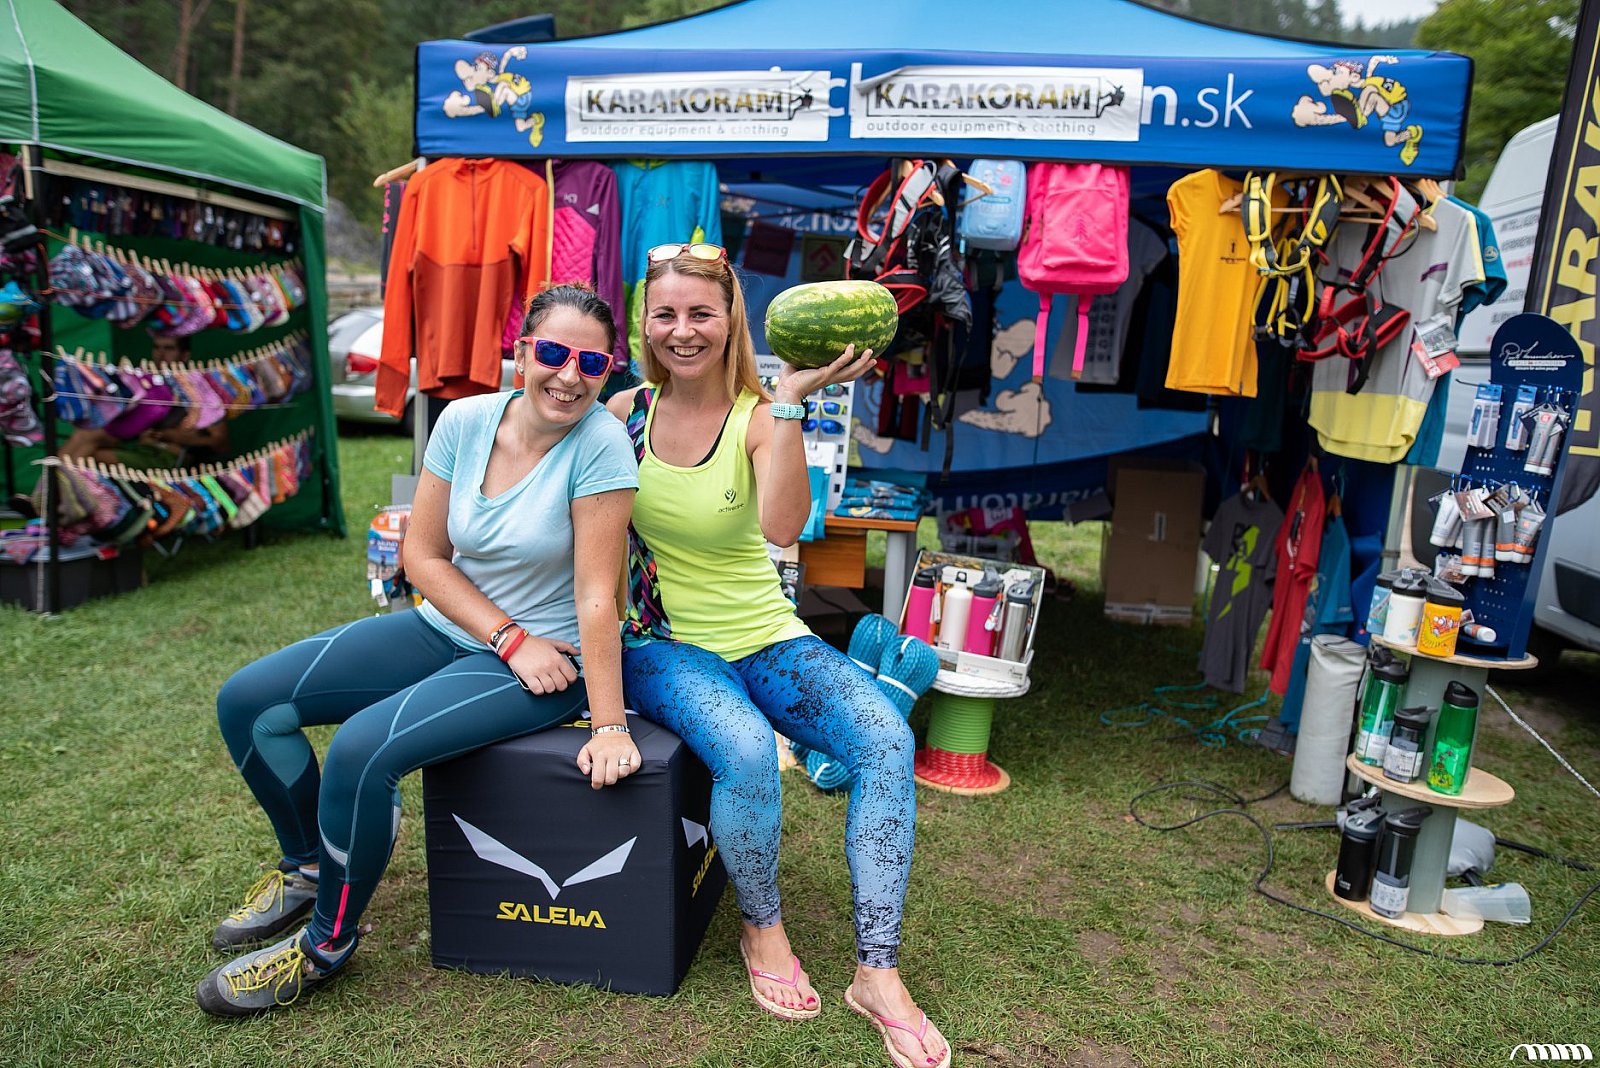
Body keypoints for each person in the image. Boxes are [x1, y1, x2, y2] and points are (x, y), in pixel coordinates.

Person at [197, 285, 638, 1016]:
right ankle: (307, 867)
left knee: (361, 750)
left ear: (607, 369)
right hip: (464, 629)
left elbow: (599, 595)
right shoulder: (464, 420)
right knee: (248, 703)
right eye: (553, 353)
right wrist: (504, 635)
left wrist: (610, 723)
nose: (569, 375)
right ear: (521, 351)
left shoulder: (600, 443)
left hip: (548, 661)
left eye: (591, 362)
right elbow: (423, 557)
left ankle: (326, 944)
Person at [606, 244, 949, 1068]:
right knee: (750, 751)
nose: (683, 331)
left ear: (732, 324)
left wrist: (791, 406)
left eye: (702, 314)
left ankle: (878, 972)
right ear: (645, 324)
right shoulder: (622, 414)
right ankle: (762, 929)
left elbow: (783, 527)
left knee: (885, 738)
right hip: (663, 645)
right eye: (665, 314)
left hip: (769, 636)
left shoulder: (761, 415)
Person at [59, 334, 231, 467]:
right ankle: (51, 491)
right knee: (84, 436)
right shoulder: (147, 383)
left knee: (90, 455)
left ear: (185, 355)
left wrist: (176, 437)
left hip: (169, 456)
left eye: (169, 348)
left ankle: (53, 492)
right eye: (157, 347)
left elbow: (221, 444)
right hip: (138, 448)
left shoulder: (198, 391)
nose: (161, 354)